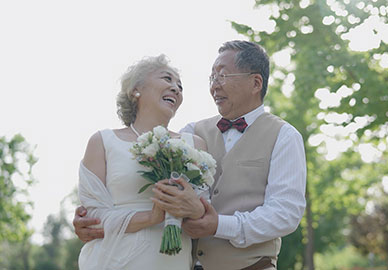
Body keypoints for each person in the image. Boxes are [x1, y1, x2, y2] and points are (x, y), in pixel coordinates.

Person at [74, 40, 306, 270]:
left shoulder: (284, 136)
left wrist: (219, 225)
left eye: (222, 76)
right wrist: (91, 220)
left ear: (255, 83)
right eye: (212, 78)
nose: (214, 85)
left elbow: (285, 213)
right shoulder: (192, 134)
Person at [76, 54, 206, 270]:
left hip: (172, 261)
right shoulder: (103, 141)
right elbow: (92, 217)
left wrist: (193, 208)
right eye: (167, 79)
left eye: (180, 86)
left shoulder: (195, 145)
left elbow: (204, 213)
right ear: (136, 90)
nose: (176, 88)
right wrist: (151, 217)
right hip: (113, 260)